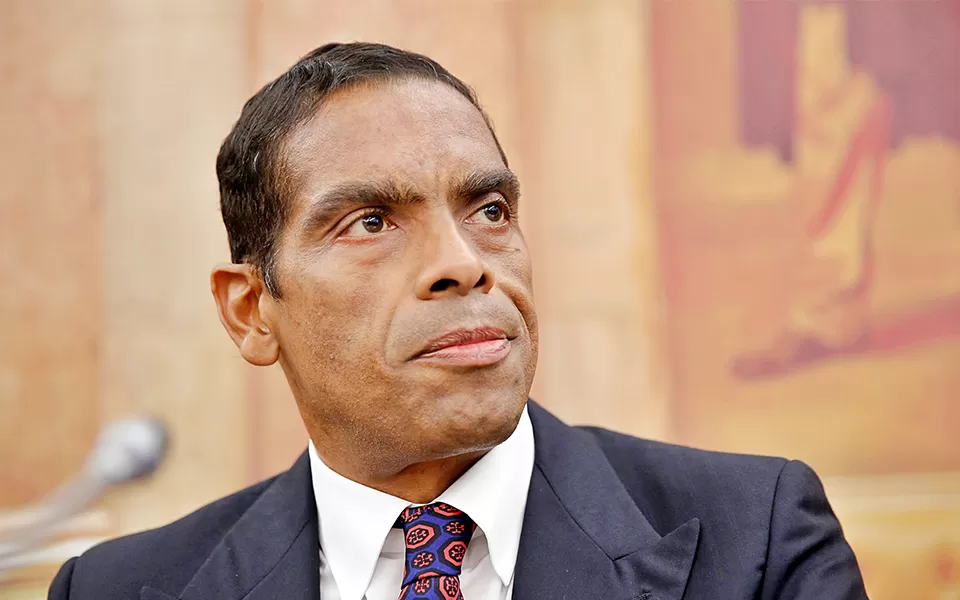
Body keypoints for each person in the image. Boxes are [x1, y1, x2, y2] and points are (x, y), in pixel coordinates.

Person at [49, 42, 867, 600]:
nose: (465, 262)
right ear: (251, 311)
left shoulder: (755, 539)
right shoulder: (116, 589)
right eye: (370, 222)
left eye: (489, 210)